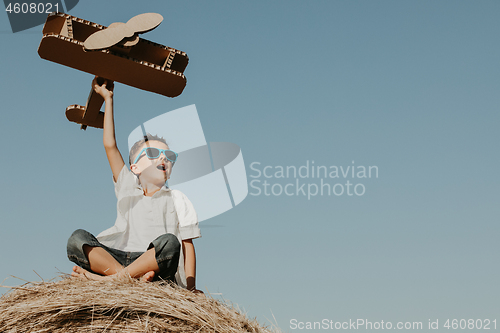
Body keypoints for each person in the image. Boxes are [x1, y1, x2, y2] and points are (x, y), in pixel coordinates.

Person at [67, 77, 202, 293]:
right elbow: (110, 144)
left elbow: (187, 245)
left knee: (170, 243)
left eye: (168, 155)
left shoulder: (177, 198)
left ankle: (108, 281)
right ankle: (127, 278)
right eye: (152, 154)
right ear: (135, 168)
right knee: (77, 239)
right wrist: (108, 100)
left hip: (153, 263)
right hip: (118, 257)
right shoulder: (127, 186)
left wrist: (191, 288)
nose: (163, 159)